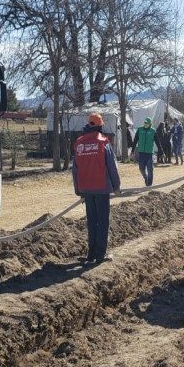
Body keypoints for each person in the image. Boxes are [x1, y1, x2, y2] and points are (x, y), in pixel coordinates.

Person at [72, 113, 121, 264]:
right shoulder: (103, 143)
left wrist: (79, 190)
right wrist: (117, 186)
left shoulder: (79, 143)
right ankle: (100, 255)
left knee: (92, 221)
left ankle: (91, 254)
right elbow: (112, 167)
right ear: (100, 126)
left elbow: (75, 169)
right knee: (103, 221)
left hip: (87, 189)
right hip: (101, 188)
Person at [130, 117, 161, 186]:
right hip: (141, 153)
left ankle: (149, 184)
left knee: (150, 169)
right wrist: (132, 151)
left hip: (149, 153)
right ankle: (145, 177)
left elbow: (158, 142)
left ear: (150, 124)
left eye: (147, 123)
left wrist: (161, 151)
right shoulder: (140, 130)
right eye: (144, 123)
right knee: (141, 168)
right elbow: (135, 140)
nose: (145, 124)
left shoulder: (153, 131)